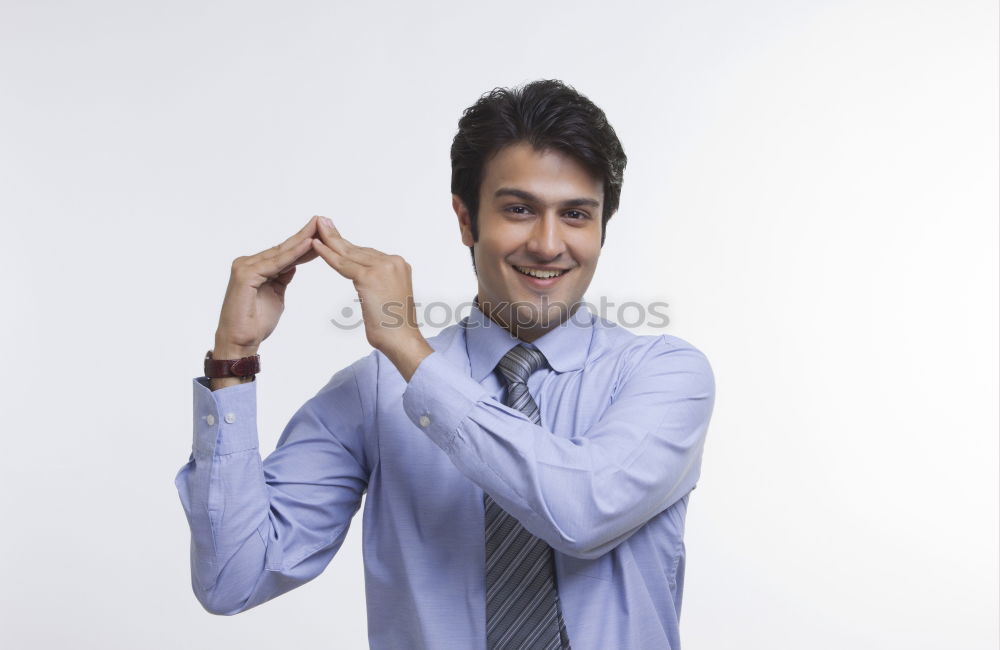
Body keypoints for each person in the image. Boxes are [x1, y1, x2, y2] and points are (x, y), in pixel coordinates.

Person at [175, 78, 715, 649]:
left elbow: (583, 512)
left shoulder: (664, 376)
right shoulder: (373, 393)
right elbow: (232, 580)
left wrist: (409, 348)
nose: (549, 244)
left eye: (576, 214)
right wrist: (233, 361)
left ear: (603, 227)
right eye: (518, 209)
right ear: (465, 220)